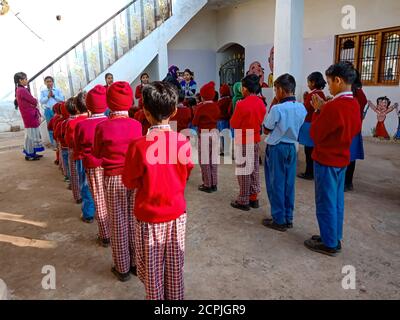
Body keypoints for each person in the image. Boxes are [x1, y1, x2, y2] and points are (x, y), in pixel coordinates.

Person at [122, 81, 194, 300]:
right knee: (174, 269)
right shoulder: (183, 141)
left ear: (144, 112)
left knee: (153, 274)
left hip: (149, 218)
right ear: (174, 112)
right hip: (176, 215)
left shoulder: (138, 146)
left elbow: (129, 181)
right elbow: (187, 172)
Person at [304, 62, 362, 257]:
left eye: (329, 82)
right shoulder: (353, 103)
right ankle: (333, 235)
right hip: (341, 158)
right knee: (336, 200)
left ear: (338, 80)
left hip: (326, 159)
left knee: (325, 201)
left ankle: (329, 243)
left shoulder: (333, 107)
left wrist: (319, 110)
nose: (328, 86)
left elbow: (316, 134)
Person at [93, 81, 142, 282]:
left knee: (118, 222)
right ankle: (136, 264)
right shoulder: (137, 124)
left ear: (109, 102)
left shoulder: (102, 127)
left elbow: (97, 153)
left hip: (113, 178)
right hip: (135, 178)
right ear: (129, 101)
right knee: (134, 220)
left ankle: (121, 268)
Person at [262, 74, 307, 231]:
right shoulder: (301, 107)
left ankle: (278, 219)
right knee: (289, 183)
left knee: (276, 183)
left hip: (276, 147)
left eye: (275, 89)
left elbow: (266, 128)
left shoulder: (277, 108)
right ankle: (288, 217)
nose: (275, 92)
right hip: (292, 147)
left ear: (281, 90)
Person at [75, 85, 110, 244]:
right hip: (109, 165)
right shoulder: (109, 122)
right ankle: (114, 230)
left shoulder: (81, 125)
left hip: (92, 165)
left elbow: (77, 147)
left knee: (99, 199)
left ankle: (105, 235)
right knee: (111, 199)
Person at [230, 74, 266, 211]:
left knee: (244, 171)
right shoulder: (261, 102)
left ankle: (243, 199)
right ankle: (253, 198)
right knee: (254, 169)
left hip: (243, 139)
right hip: (255, 139)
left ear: (245, 89)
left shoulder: (241, 104)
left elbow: (234, 123)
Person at [192, 81, 220, 193]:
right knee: (213, 160)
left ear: (202, 96)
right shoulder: (216, 106)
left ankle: (207, 184)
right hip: (214, 133)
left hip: (204, 134)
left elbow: (194, 122)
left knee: (204, 160)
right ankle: (214, 183)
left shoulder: (200, 108)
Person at [297, 72, 327, 180]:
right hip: (315, 123)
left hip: (309, 123)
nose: (308, 84)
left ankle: (309, 173)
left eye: (308, 82)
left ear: (313, 82)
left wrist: (304, 100)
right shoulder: (321, 93)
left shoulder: (312, 94)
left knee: (308, 150)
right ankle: (312, 171)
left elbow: (305, 108)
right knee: (312, 150)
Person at [14, 72, 45, 161]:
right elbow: (33, 101)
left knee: (29, 135)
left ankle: (31, 153)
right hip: (29, 115)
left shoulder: (19, 89)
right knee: (31, 135)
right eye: (25, 79)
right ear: (20, 80)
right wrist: (35, 101)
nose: (27, 81)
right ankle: (30, 154)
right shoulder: (22, 90)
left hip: (28, 114)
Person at [345, 70, 367, 192]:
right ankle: (347, 182)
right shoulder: (356, 92)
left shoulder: (357, 94)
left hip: (352, 129)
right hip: (352, 128)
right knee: (349, 156)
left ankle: (348, 182)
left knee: (350, 156)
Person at [65, 97, 85, 204]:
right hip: (85, 152)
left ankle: (77, 196)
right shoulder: (84, 120)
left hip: (73, 151)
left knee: (75, 174)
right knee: (84, 176)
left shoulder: (69, 122)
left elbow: (68, 140)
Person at [40, 76, 65, 147]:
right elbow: (41, 101)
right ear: (45, 83)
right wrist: (47, 97)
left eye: (50, 81)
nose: (49, 83)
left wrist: (54, 96)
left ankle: (60, 143)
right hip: (48, 110)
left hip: (57, 111)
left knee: (59, 126)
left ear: (53, 82)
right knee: (50, 127)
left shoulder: (57, 90)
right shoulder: (43, 91)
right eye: (47, 82)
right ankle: (54, 144)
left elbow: (62, 100)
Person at [217, 84, 232, 156]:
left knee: (222, 135)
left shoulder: (221, 101)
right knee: (227, 135)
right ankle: (227, 149)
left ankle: (223, 150)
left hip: (221, 120)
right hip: (227, 119)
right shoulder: (230, 100)